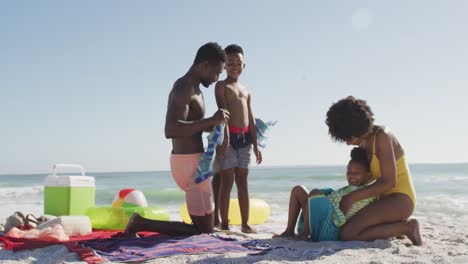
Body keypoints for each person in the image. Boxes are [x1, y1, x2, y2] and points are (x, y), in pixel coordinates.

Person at [121, 42, 229, 237]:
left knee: (206, 230)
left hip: (195, 162)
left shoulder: (196, 88)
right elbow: (170, 129)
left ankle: (140, 222)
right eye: (216, 72)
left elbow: (194, 127)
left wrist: (216, 125)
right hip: (189, 164)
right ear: (204, 65)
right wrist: (211, 120)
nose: (216, 78)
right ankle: (139, 222)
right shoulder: (184, 87)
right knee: (202, 233)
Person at [325, 96, 422, 246]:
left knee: (347, 234)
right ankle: (392, 229)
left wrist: (351, 198)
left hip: (400, 199)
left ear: (355, 127)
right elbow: (366, 179)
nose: (347, 142)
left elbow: (389, 182)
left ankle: (407, 227)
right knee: (344, 228)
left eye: (347, 137)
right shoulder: (364, 142)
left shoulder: (383, 136)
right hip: (381, 199)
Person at [274, 147, 376, 241]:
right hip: (321, 221)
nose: (351, 176)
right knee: (298, 190)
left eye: (356, 173)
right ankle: (289, 231)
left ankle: (304, 234)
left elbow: (342, 216)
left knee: (315, 193)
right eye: (349, 172)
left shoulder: (367, 192)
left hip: (330, 231)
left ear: (368, 175)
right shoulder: (346, 189)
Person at [214, 44, 262, 234]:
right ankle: (224, 223)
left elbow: (250, 117)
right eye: (230, 63)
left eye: (238, 63)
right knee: (227, 180)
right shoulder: (221, 86)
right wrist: (225, 139)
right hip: (228, 137)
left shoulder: (247, 90)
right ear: (224, 65)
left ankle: (245, 223)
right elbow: (222, 112)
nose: (234, 66)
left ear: (244, 65)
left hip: (245, 140)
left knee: (243, 181)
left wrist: (256, 145)